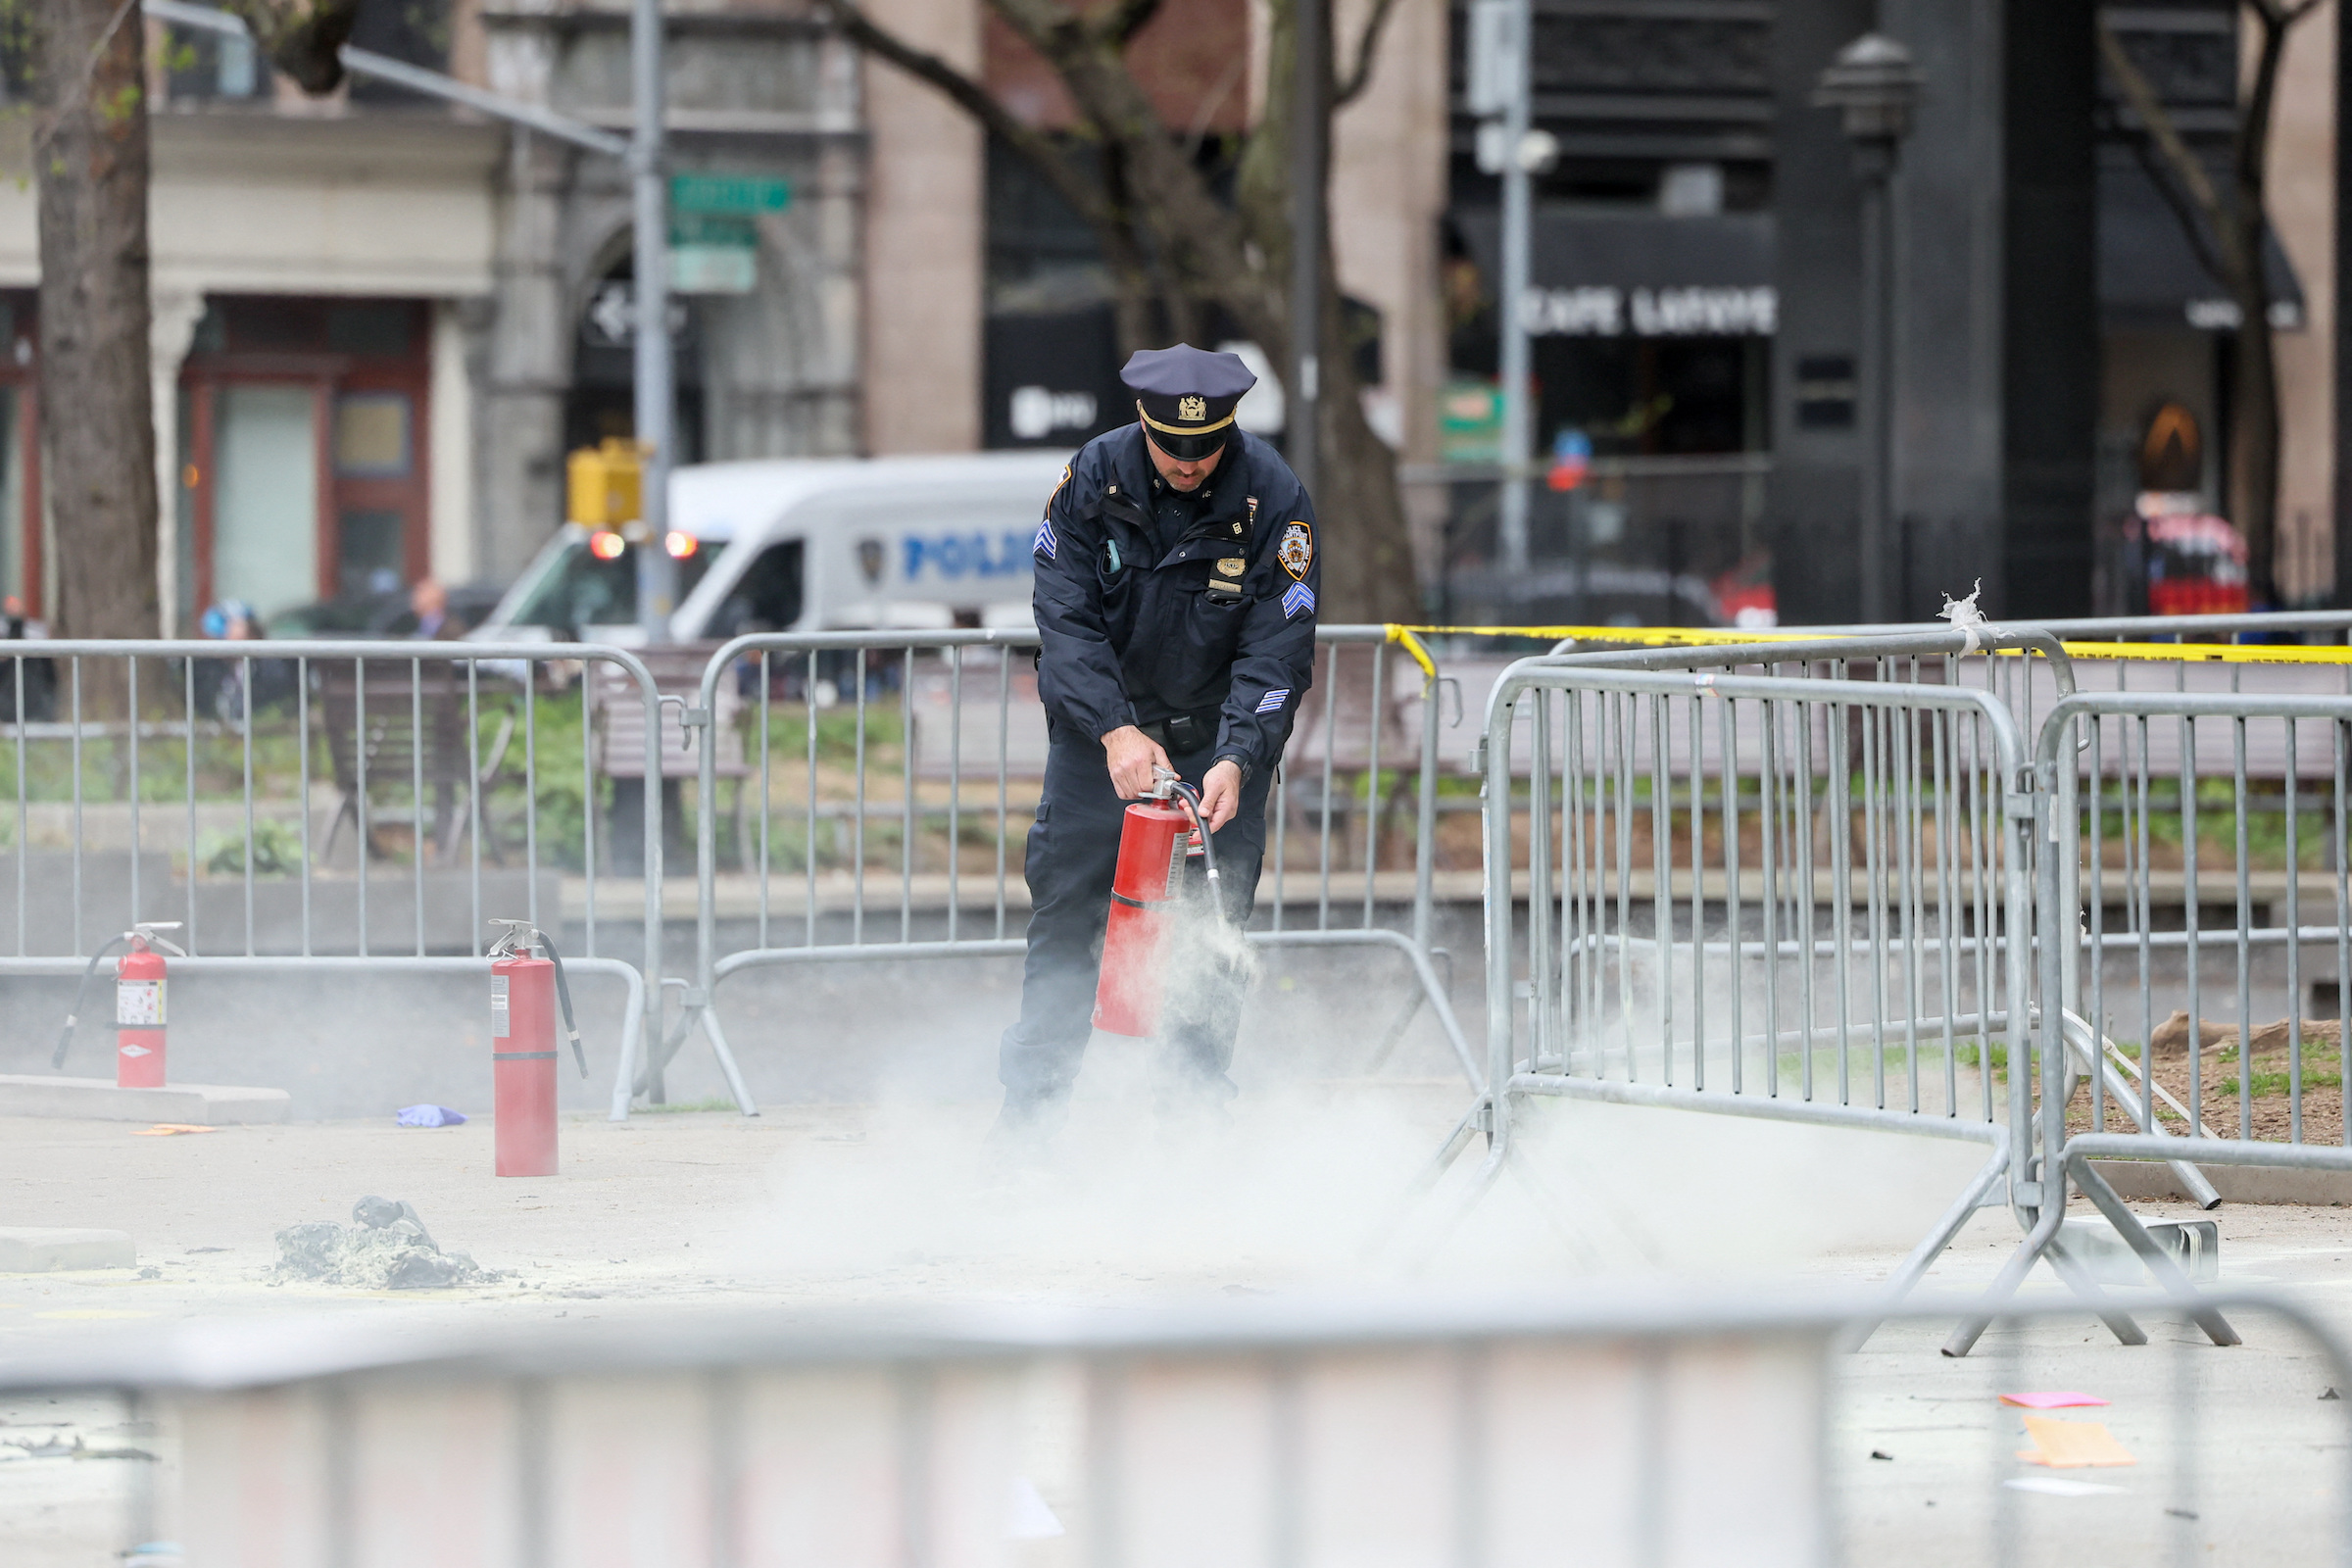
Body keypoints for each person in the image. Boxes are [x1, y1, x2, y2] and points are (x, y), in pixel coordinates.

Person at [996, 342, 1322, 1141]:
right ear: (1142, 425)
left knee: (1208, 946)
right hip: (1101, 751)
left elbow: (1277, 647)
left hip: (1217, 754)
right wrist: (1113, 729)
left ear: (1229, 428)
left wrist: (1240, 757)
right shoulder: (1091, 481)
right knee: (1068, 927)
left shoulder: (1275, 498)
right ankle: (1028, 1131)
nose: (1187, 461)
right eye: (1171, 446)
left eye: (1205, 445)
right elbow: (1063, 621)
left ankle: (1190, 1136)